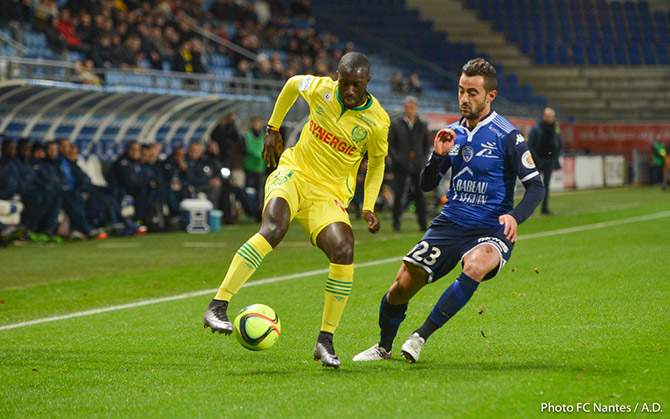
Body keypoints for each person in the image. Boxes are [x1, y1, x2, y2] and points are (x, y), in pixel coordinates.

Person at [203, 52, 390, 368]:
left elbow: (377, 163)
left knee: (344, 250)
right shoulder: (322, 89)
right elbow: (291, 84)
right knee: (274, 228)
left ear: (367, 83)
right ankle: (218, 306)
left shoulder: (377, 122)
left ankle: (325, 340)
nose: (348, 91)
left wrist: (368, 205)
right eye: (344, 83)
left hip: (328, 195)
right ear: (336, 77)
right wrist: (272, 127)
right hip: (294, 174)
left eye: (355, 85)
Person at [353, 58, 545, 363]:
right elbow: (427, 184)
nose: (464, 98)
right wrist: (439, 158)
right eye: (460, 91)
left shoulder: (508, 136)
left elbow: (536, 187)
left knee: (476, 266)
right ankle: (383, 347)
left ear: (489, 96)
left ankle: (420, 336)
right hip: (451, 222)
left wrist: (515, 216)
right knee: (402, 285)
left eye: (472, 92)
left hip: (490, 227)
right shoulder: (451, 133)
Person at [389, 96, 431, 232]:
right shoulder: (396, 124)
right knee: (398, 195)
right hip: (400, 166)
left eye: (411, 108)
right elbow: (391, 145)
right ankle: (396, 223)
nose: (409, 111)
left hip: (417, 166)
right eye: (407, 108)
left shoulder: (422, 125)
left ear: (416, 109)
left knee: (419, 195)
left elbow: (427, 145)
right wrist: (397, 159)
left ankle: (423, 224)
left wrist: (422, 159)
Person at [528, 107, 562, 214]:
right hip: (538, 160)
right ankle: (529, 209)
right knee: (534, 185)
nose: (548, 118)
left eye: (550, 116)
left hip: (549, 160)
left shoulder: (555, 129)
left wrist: (556, 157)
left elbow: (559, 144)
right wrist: (535, 158)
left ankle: (544, 208)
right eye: (546, 116)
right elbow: (530, 144)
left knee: (546, 186)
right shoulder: (537, 128)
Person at [243, 117, 266, 211]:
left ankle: (259, 208)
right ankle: (249, 208)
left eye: (258, 124)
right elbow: (246, 148)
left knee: (260, 190)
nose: (256, 126)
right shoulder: (247, 135)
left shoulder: (263, 136)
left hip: (260, 167)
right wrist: (258, 155)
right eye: (255, 123)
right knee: (249, 189)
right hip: (249, 167)